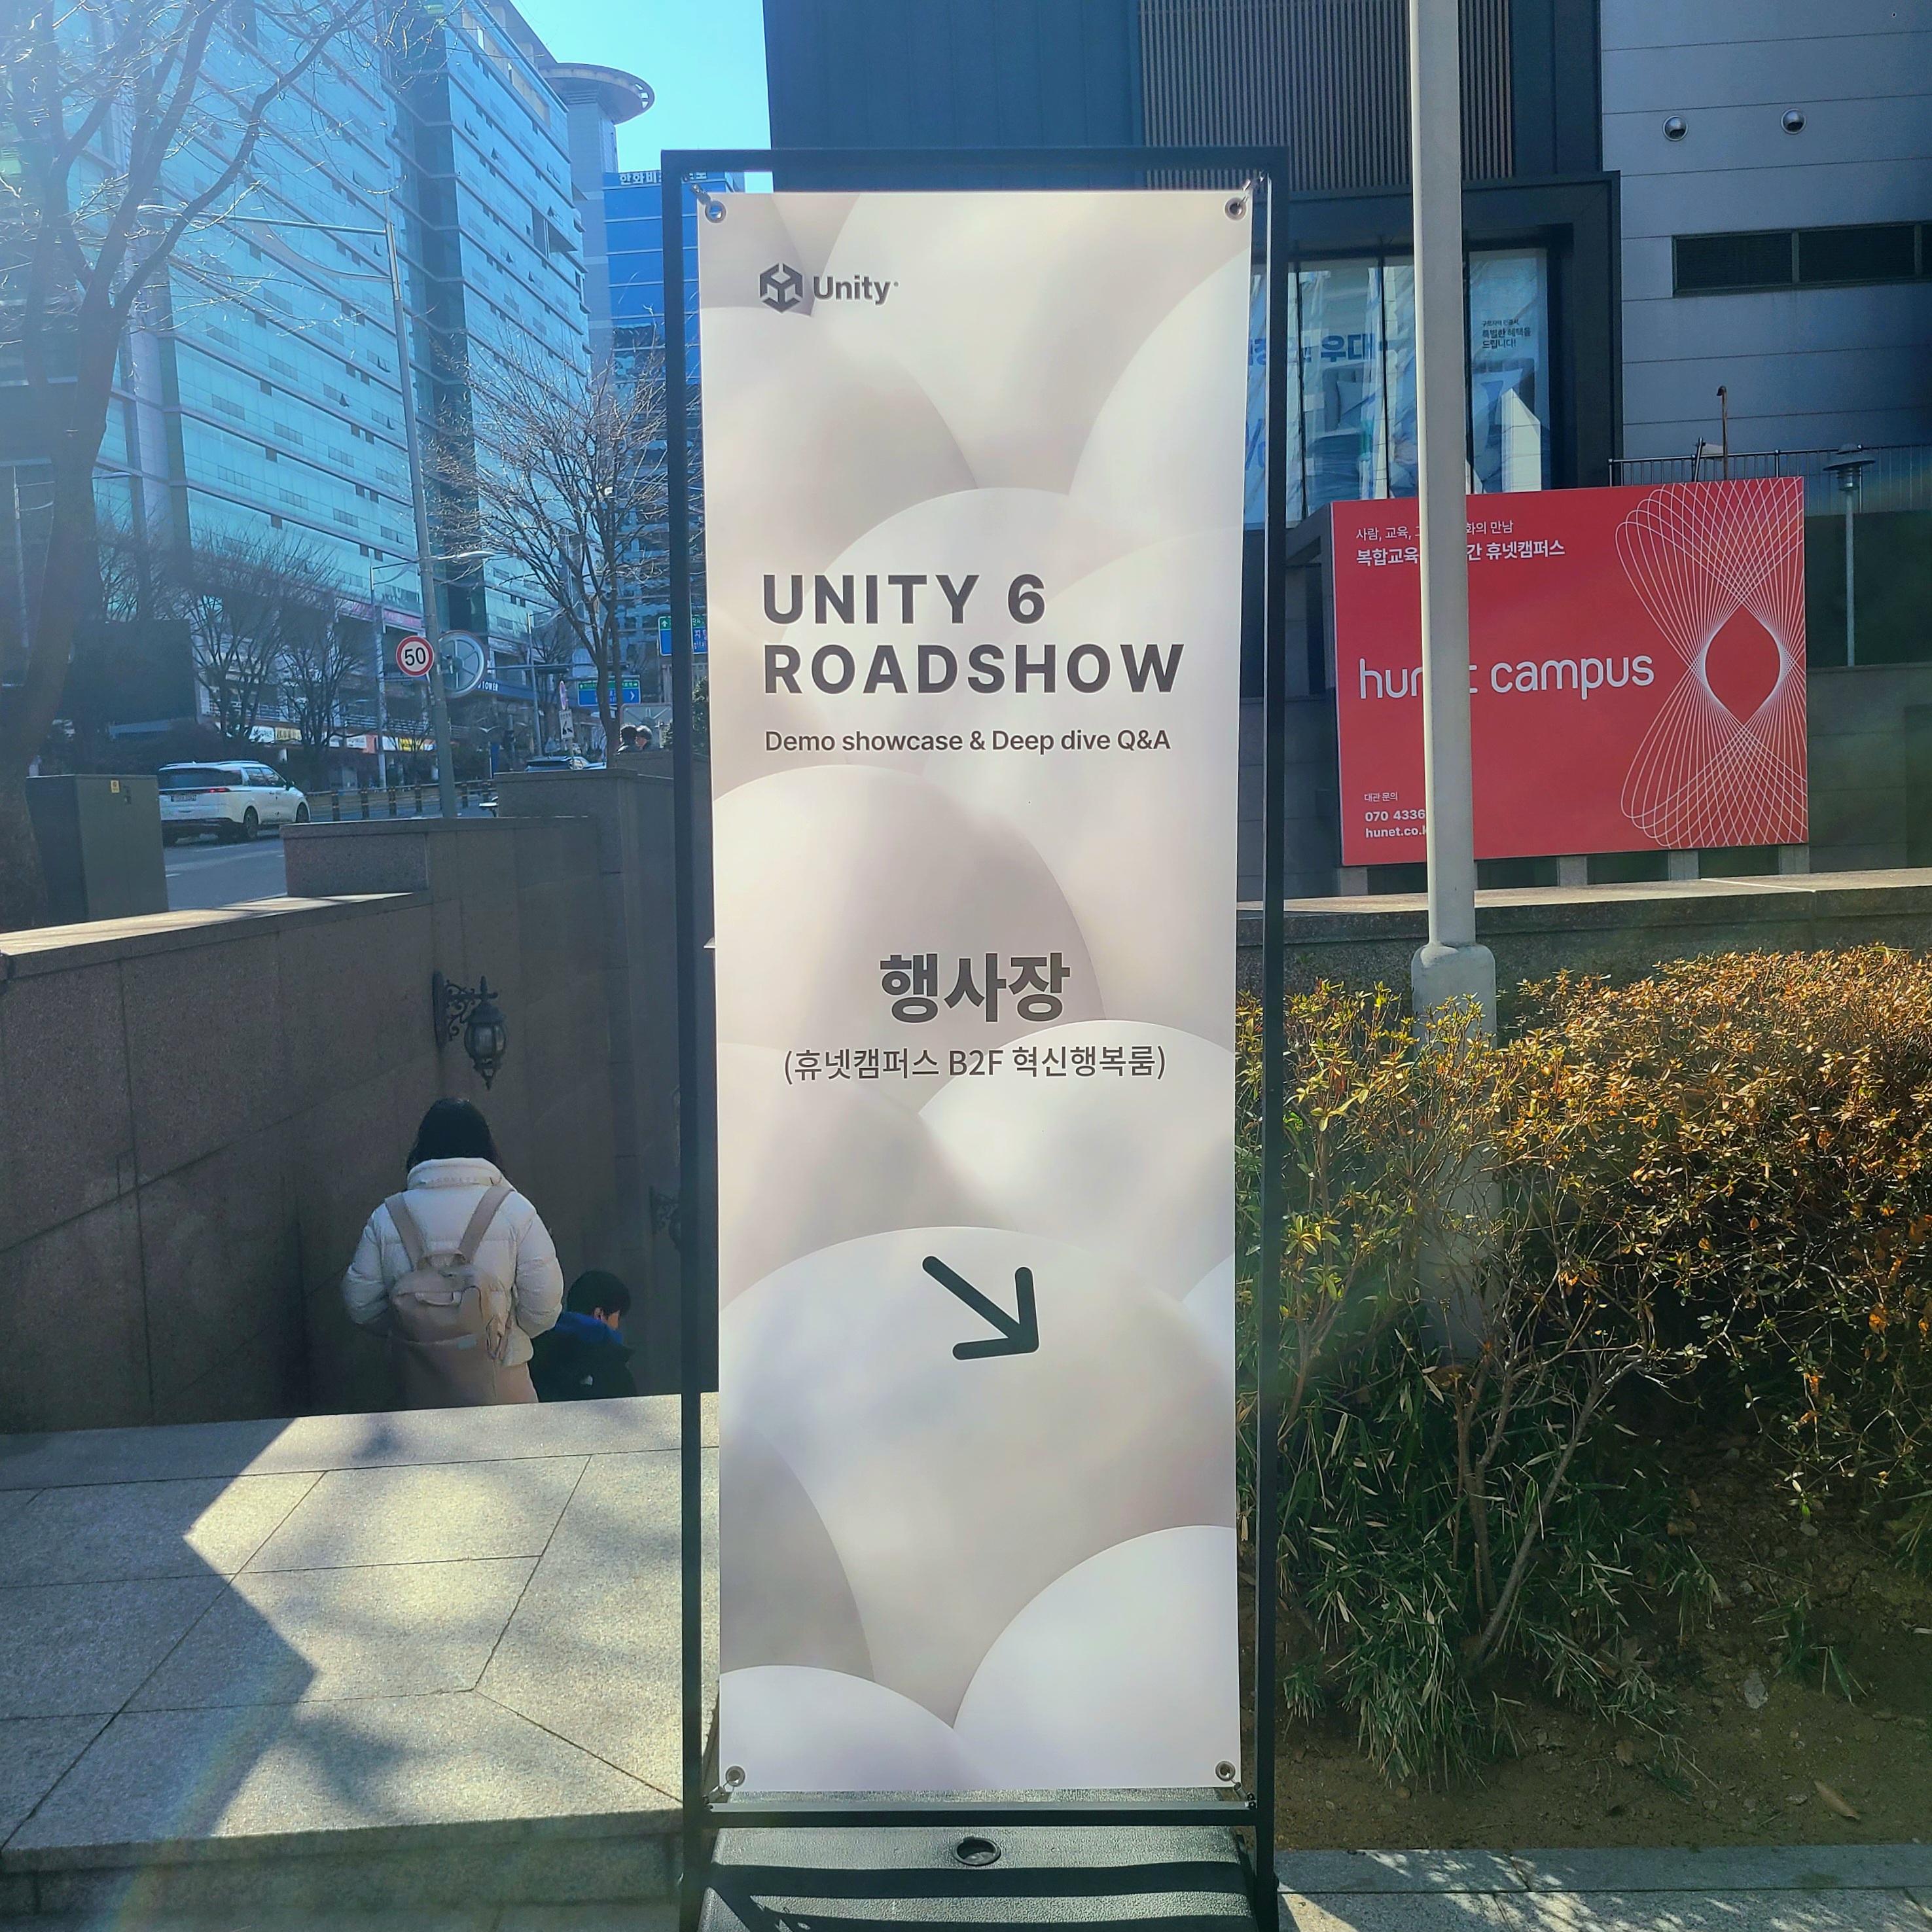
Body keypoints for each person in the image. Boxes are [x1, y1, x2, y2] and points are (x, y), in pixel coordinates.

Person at [343, 1098, 563, 1406]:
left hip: (418, 1387)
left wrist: (417, 1330)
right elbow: (544, 1307)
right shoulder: (514, 1210)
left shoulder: (388, 1216)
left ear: (421, 1149)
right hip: (501, 1384)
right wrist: (501, 1333)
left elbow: (360, 1303)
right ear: (486, 1147)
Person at [529, 1270, 639, 1401]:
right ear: (599, 1315)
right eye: (618, 1317)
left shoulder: (532, 1354)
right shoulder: (612, 1370)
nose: (617, 1326)